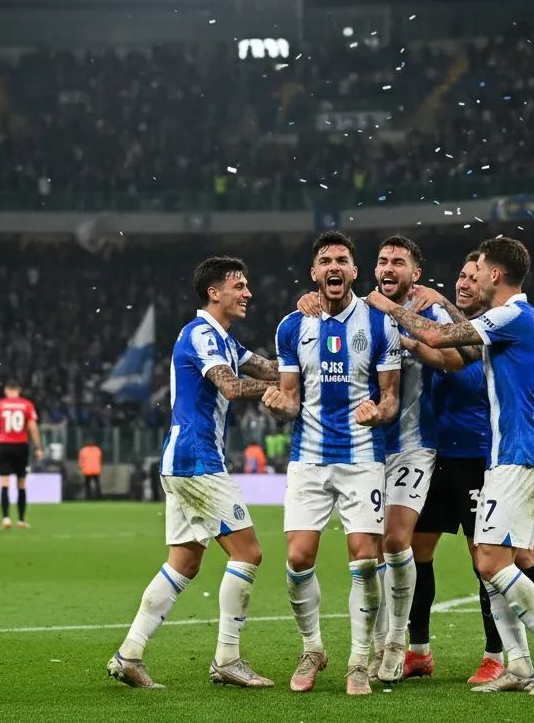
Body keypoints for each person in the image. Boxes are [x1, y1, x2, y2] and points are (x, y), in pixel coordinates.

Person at [367, 236, 534, 696]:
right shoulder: (521, 318)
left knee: (493, 559)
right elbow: (446, 351)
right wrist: (410, 336)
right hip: (512, 454)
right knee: (491, 560)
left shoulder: (511, 314)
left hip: (515, 455)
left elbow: (440, 336)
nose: (473, 277)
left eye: (477, 270)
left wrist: (385, 304)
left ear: (495, 275)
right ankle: (520, 665)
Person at [108, 256, 289, 691]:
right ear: (214, 292)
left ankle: (128, 654)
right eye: (239, 286)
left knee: (184, 561)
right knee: (248, 552)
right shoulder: (200, 335)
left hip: (185, 460)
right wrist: (274, 392)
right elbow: (230, 385)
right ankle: (227, 658)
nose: (247, 293)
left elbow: (268, 366)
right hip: (196, 460)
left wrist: (310, 367)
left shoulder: (225, 339)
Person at [295, 234, 450, 684]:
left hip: (414, 443)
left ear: (415, 274)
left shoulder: (428, 309)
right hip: (367, 449)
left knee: (399, 541)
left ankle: (398, 640)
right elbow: (329, 311)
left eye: (399, 262)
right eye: (383, 260)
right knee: (371, 552)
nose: (389, 268)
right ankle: (379, 642)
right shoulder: (362, 308)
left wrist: (414, 329)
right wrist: (312, 301)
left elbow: (461, 355)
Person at [269, 231, 401, 697]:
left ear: (354, 271)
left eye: (343, 260)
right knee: (298, 557)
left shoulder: (379, 325)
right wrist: (276, 402)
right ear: (314, 272)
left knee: (366, 560)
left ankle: (359, 660)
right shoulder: (292, 326)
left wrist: (378, 412)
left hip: (363, 458)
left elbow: (390, 400)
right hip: (308, 457)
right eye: (326, 260)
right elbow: (289, 397)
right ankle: (312, 648)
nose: (334, 267)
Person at [0, 381, 43, 529]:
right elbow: (32, 427)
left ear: (6, 390)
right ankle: (21, 521)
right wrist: (38, 447)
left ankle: (5, 519)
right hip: (21, 446)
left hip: (4, 445)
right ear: (19, 390)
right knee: (21, 484)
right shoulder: (27, 405)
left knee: (4, 483)